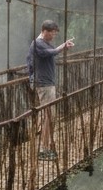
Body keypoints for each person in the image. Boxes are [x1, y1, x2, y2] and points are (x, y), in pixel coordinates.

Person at [29, 20, 74, 160]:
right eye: (52, 33)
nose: (53, 36)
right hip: (44, 84)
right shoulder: (37, 44)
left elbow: (51, 52)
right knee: (49, 116)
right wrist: (63, 46)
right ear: (45, 31)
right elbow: (51, 52)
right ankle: (43, 149)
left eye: (55, 33)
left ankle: (43, 145)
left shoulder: (44, 43)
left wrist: (63, 46)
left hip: (47, 83)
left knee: (48, 115)